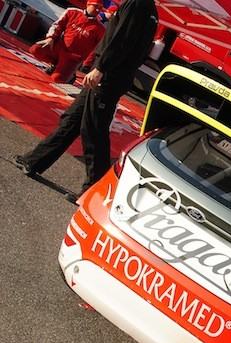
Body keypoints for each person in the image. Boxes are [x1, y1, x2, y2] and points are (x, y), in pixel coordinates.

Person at [15, 0, 158, 197]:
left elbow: (120, 40)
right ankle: (34, 160)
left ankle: (94, 191)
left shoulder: (136, 5)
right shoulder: (149, 11)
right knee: (72, 120)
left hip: (109, 76)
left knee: (94, 130)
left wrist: (101, 68)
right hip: (113, 74)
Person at [29, 0, 106, 83]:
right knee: (35, 49)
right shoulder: (72, 12)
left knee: (57, 79)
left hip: (73, 58)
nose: (98, 10)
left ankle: (70, 73)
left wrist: (87, 64)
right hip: (60, 47)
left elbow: (97, 48)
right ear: (88, 4)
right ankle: (55, 64)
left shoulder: (100, 28)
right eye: (96, 6)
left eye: (100, 8)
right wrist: (50, 38)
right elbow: (58, 25)